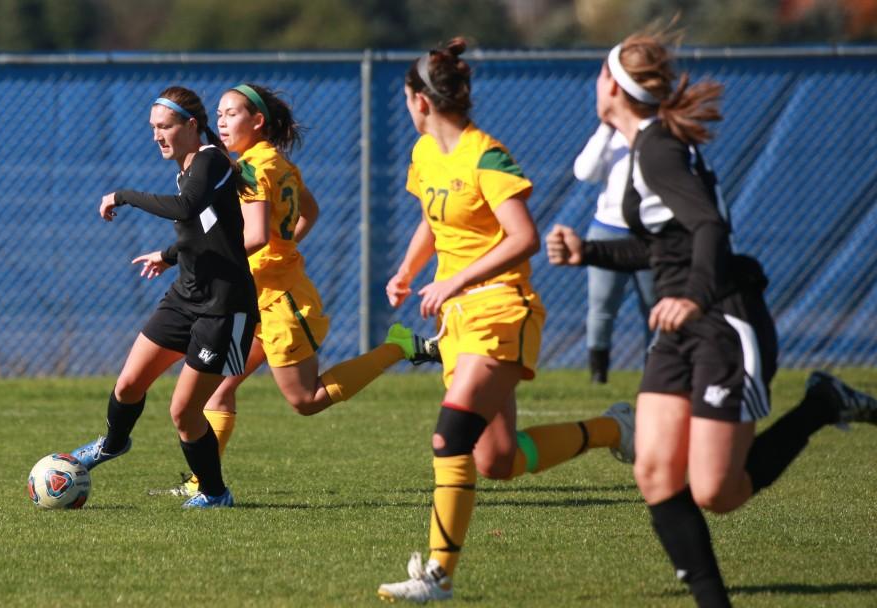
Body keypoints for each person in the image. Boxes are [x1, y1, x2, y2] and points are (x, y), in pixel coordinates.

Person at [546, 31, 877, 607]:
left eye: (601, 74)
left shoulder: (657, 150)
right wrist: (589, 253)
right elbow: (665, 248)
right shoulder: (643, 149)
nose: (594, 84)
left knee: (717, 492)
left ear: (613, 88)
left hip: (723, 322)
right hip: (679, 328)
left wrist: (696, 297)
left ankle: (822, 405)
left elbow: (710, 230)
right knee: (653, 473)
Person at [376, 38, 637, 603]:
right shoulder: (427, 155)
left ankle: (437, 578)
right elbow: (434, 219)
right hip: (459, 317)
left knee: (450, 438)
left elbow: (524, 239)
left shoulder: (486, 154)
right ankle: (614, 430)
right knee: (498, 460)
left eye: (405, 98)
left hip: (501, 310)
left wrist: (453, 280)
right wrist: (408, 270)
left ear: (420, 100)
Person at [169, 83, 440, 497]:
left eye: (232, 113)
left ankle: (398, 347)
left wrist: (204, 258)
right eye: (219, 113)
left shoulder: (254, 168)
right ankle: (203, 484)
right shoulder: (273, 161)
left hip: (280, 303)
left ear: (257, 121)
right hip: (254, 297)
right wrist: (285, 247)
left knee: (306, 399)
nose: (221, 121)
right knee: (219, 389)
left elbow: (257, 236)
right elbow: (309, 211)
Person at [66, 85, 261, 509]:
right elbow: (208, 229)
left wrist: (123, 195)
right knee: (129, 383)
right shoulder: (190, 166)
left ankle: (215, 493)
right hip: (184, 297)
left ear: (191, 126)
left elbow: (186, 208)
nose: (157, 135)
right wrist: (170, 255)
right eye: (153, 127)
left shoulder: (210, 160)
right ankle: (114, 444)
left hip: (224, 308)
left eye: (165, 126)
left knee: (184, 414)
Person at [573, 122, 656, 383]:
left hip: (651, 233)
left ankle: (655, 374)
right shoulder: (613, 134)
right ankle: (598, 375)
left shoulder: (662, 134)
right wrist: (606, 128)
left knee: (655, 309)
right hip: (608, 230)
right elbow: (584, 172)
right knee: (601, 306)